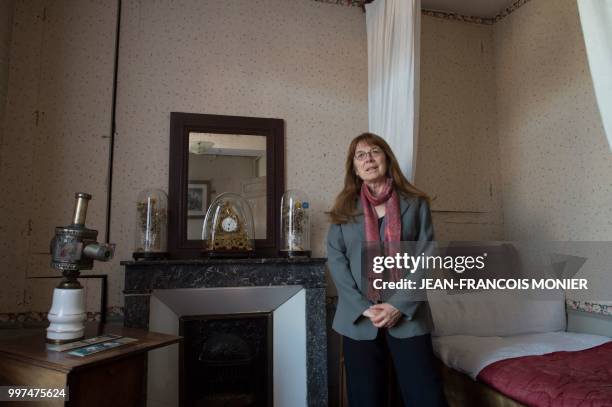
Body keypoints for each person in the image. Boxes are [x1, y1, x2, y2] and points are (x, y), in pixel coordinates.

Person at [327, 132, 447, 407]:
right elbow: (336, 259)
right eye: (360, 155)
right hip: (358, 319)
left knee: (426, 397)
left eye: (375, 152)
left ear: (386, 158)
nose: (368, 159)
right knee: (366, 399)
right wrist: (363, 307)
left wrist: (397, 306)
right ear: (355, 167)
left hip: (408, 315)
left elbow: (426, 255)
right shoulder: (343, 208)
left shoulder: (416, 203)